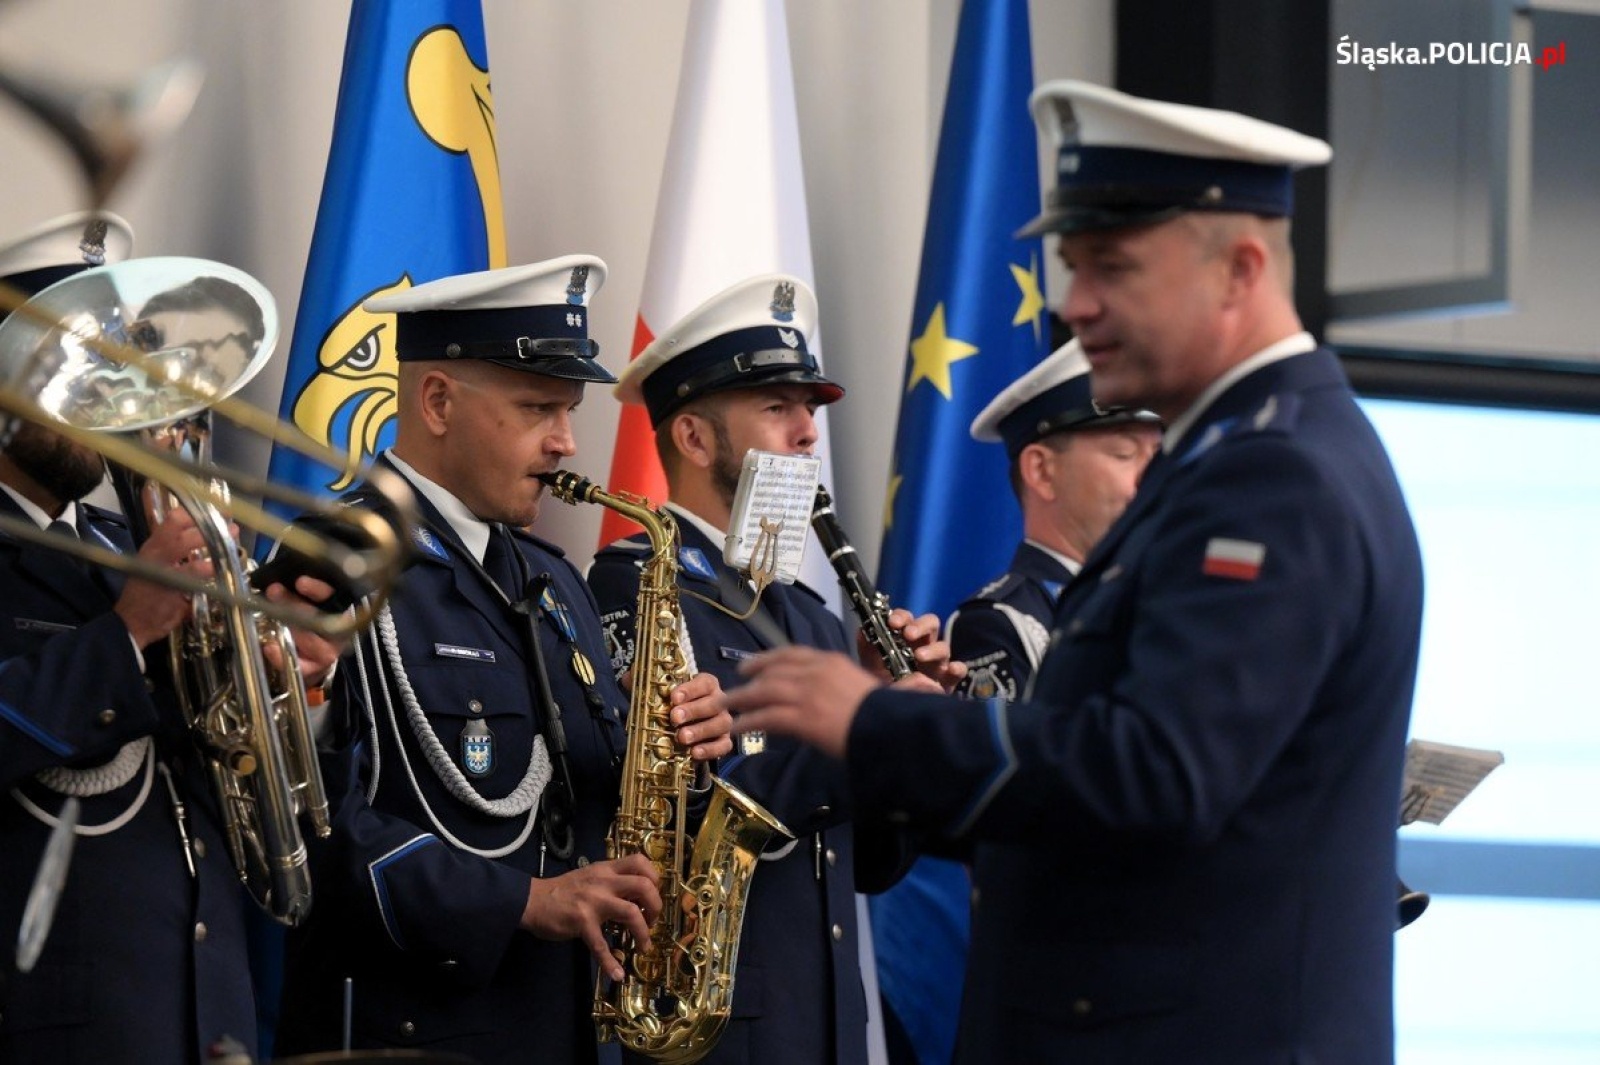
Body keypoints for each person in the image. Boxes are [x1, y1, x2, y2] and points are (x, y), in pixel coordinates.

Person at [719, 81, 1425, 1063]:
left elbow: (1153, 776)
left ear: (1241, 271)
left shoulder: (1271, 477)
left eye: (1112, 267)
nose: (1073, 303)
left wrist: (873, 721)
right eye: (1073, 265)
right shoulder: (1233, 457)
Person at [273, 256, 735, 1065]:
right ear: (437, 401)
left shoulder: (551, 577)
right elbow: (308, 828)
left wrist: (676, 750)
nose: (566, 442)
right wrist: (522, 901)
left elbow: (593, 804)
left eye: (569, 410)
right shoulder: (333, 558)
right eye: (536, 408)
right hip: (411, 1038)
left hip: (561, 1030)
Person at [587, 274, 956, 1065]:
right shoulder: (636, 587)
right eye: (777, 407)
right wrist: (869, 733)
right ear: (693, 438)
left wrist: (909, 733)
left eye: (809, 409)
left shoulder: (810, 614)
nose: (808, 433)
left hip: (824, 1030)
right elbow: (675, 816)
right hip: (717, 1033)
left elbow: (870, 865)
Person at [0, 213, 340, 1063]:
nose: (106, 403)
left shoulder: (129, 548)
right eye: (72, 375)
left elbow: (227, 777)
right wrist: (127, 631)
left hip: (202, 1012)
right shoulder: (138, 577)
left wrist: (281, 686)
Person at [950, 338, 1160, 702]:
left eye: (1157, 455)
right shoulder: (1001, 623)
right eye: (1124, 453)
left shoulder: (1165, 594)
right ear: (1042, 471)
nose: (1152, 476)